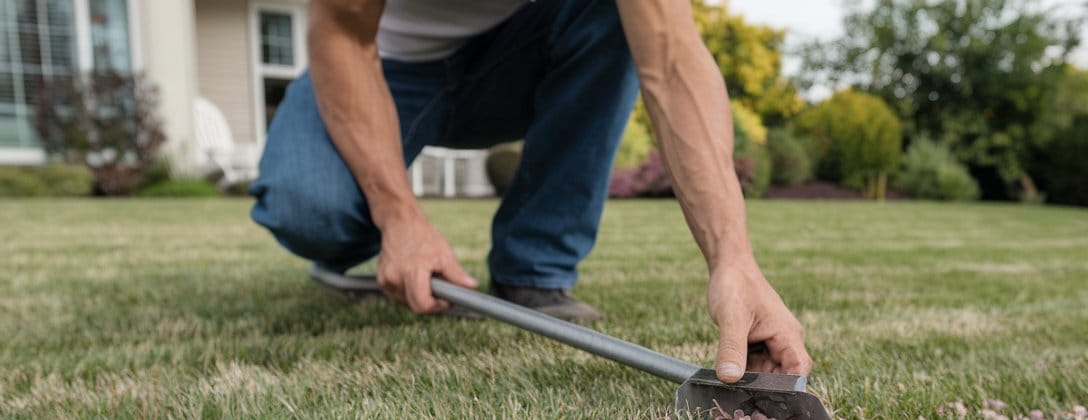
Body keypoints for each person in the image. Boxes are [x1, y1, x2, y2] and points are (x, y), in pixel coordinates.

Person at [250, 0, 812, 384]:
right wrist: (398, 215)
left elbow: (669, 58)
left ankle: (533, 269)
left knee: (615, 12)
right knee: (309, 210)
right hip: (381, 63)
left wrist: (733, 259)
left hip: (519, 57)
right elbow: (342, 34)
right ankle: (373, 234)